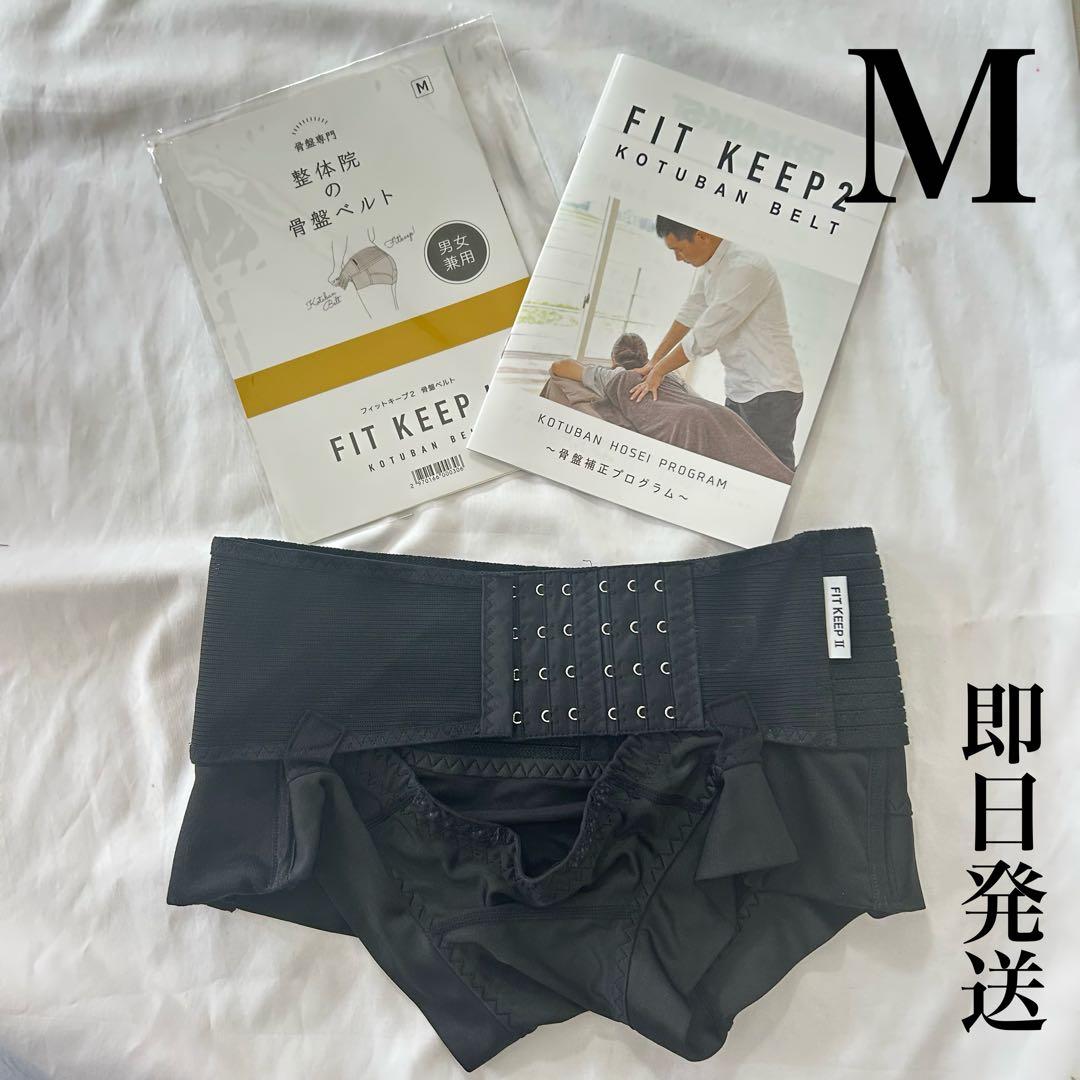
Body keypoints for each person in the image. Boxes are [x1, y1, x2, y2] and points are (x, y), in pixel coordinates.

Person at [628, 216, 803, 471]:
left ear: (702, 235)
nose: (678, 258)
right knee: (734, 464)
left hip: (772, 391)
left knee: (772, 473)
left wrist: (659, 372)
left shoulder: (747, 267)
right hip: (739, 388)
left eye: (679, 249)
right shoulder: (712, 265)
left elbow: (704, 335)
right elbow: (690, 312)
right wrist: (654, 361)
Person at [546, 334, 793, 484]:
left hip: (685, 421)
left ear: (613, 359)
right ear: (646, 357)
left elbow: (560, 366)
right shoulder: (668, 374)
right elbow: (694, 399)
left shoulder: (611, 376)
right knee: (767, 469)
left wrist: (593, 368)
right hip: (718, 413)